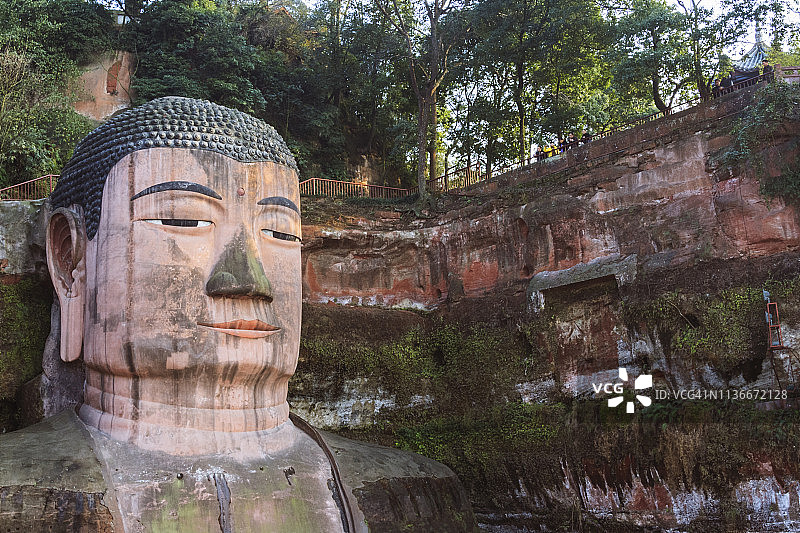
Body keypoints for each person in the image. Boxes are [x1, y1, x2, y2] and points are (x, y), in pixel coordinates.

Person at [0, 97, 475, 531]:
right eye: (186, 220)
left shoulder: (414, 491)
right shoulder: (19, 494)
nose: (248, 279)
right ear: (71, 260)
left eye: (280, 233)